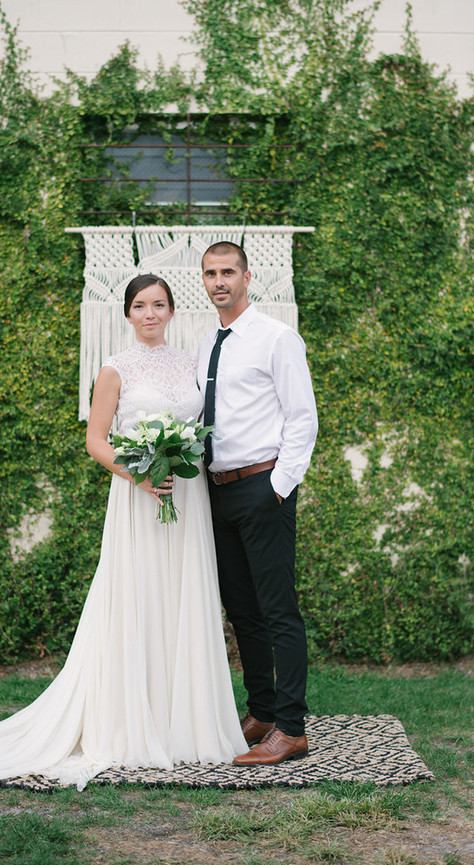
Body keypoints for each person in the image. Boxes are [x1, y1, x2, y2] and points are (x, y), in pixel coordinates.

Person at [0, 273, 246, 797]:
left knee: (186, 598)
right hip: (139, 497)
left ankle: (189, 724)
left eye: (158, 305)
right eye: (139, 306)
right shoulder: (114, 369)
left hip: (189, 496)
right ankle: (133, 722)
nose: (150, 314)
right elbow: (95, 440)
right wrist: (141, 473)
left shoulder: (191, 363)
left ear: (173, 311)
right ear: (127, 315)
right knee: (140, 597)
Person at [197, 242, 318, 766]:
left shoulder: (277, 338)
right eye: (210, 273)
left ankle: (291, 729)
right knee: (242, 612)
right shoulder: (208, 343)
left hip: (262, 487)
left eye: (228, 272)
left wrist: (279, 486)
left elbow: (303, 416)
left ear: (248, 277)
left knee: (278, 611)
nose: (219, 281)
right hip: (217, 491)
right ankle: (263, 713)